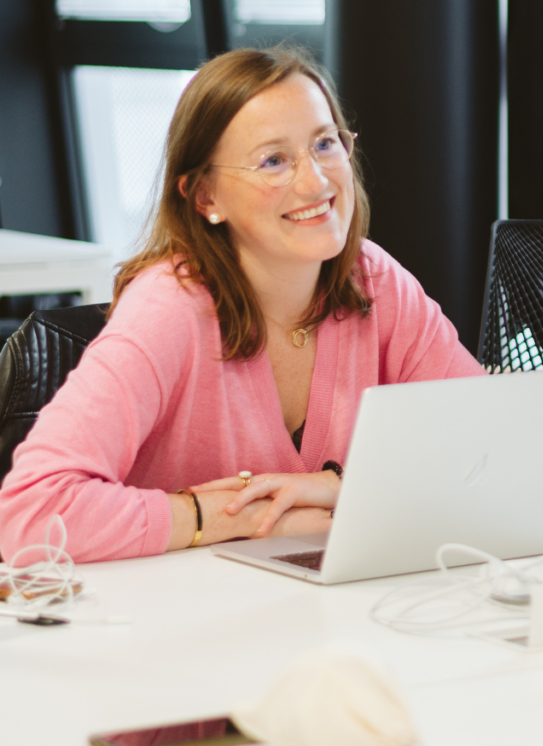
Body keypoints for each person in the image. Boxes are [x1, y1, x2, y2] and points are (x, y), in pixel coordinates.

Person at [0, 47, 483, 563]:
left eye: (325, 143)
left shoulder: (375, 280)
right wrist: (221, 516)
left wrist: (343, 487)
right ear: (205, 197)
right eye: (273, 160)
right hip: (171, 627)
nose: (316, 181)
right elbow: (27, 515)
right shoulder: (169, 308)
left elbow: (493, 448)